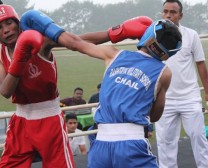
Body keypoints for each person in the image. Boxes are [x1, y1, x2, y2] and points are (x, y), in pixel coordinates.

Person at [0, 0, 152, 167]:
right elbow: (5, 91)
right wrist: (21, 58)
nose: (6, 30)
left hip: (49, 118)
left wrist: (118, 32)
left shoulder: (42, 41)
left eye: (9, 23)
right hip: (21, 121)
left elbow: (77, 41)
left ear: (17, 22)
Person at [19, 9, 182, 168]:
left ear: (148, 35)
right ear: (169, 52)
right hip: (132, 144)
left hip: (101, 143)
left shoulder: (113, 54)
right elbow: (155, 115)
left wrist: (48, 26)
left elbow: (75, 43)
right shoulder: (164, 73)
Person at [155, 0, 208, 168]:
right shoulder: (154, 35)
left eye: (173, 12)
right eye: (165, 11)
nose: (168, 15)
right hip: (164, 99)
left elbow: (200, 63)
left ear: (180, 15)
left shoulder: (191, 35)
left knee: (198, 136)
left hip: (190, 97)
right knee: (165, 142)